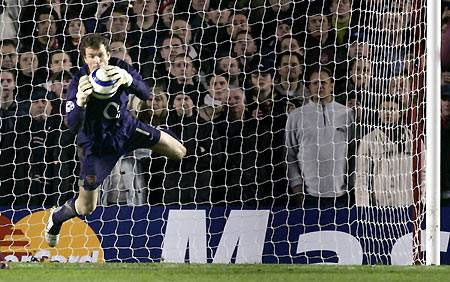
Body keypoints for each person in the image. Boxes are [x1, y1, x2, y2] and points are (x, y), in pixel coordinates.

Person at [44, 34, 186, 247]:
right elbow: (71, 125)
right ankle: (56, 218)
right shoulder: (78, 82)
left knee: (179, 152)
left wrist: (128, 80)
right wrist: (81, 102)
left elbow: (146, 93)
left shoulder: (120, 67)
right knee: (86, 208)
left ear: (108, 54)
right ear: (84, 58)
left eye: (101, 55)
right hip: (95, 147)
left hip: (127, 130)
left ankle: (158, 133)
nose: (97, 61)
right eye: (92, 57)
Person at [285, 66, 355, 208]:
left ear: (332, 86)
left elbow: (354, 151)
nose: (320, 86)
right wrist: (297, 187)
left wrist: (353, 185)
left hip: (343, 195)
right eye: (315, 83)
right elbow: (289, 155)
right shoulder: (297, 116)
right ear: (309, 87)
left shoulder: (347, 114)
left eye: (323, 82)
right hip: (309, 196)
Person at [355, 97, 424, 206]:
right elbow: (362, 177)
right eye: (383, 109)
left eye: (392, 109)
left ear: (400, 113)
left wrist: (423, 201)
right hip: (380, 206)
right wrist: (363, 206)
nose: (387, 113)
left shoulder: (414, 139)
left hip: (409, 204)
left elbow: (423, 172)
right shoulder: (368, 140)